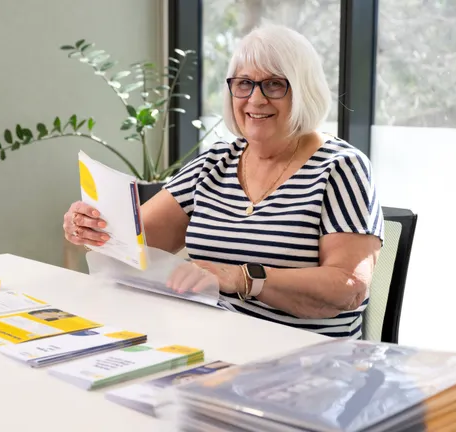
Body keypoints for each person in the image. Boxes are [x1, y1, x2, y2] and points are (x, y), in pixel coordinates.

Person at [63, 24, 383, 339]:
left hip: (305, 361)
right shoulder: (214, 163)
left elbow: (348, 287)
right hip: (213, 345)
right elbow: (135, 244)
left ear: (304, 90)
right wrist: (94, 228)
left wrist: (243, 278)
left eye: (274, 85)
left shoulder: (341, 168)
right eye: (244, 84)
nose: (255, 99)